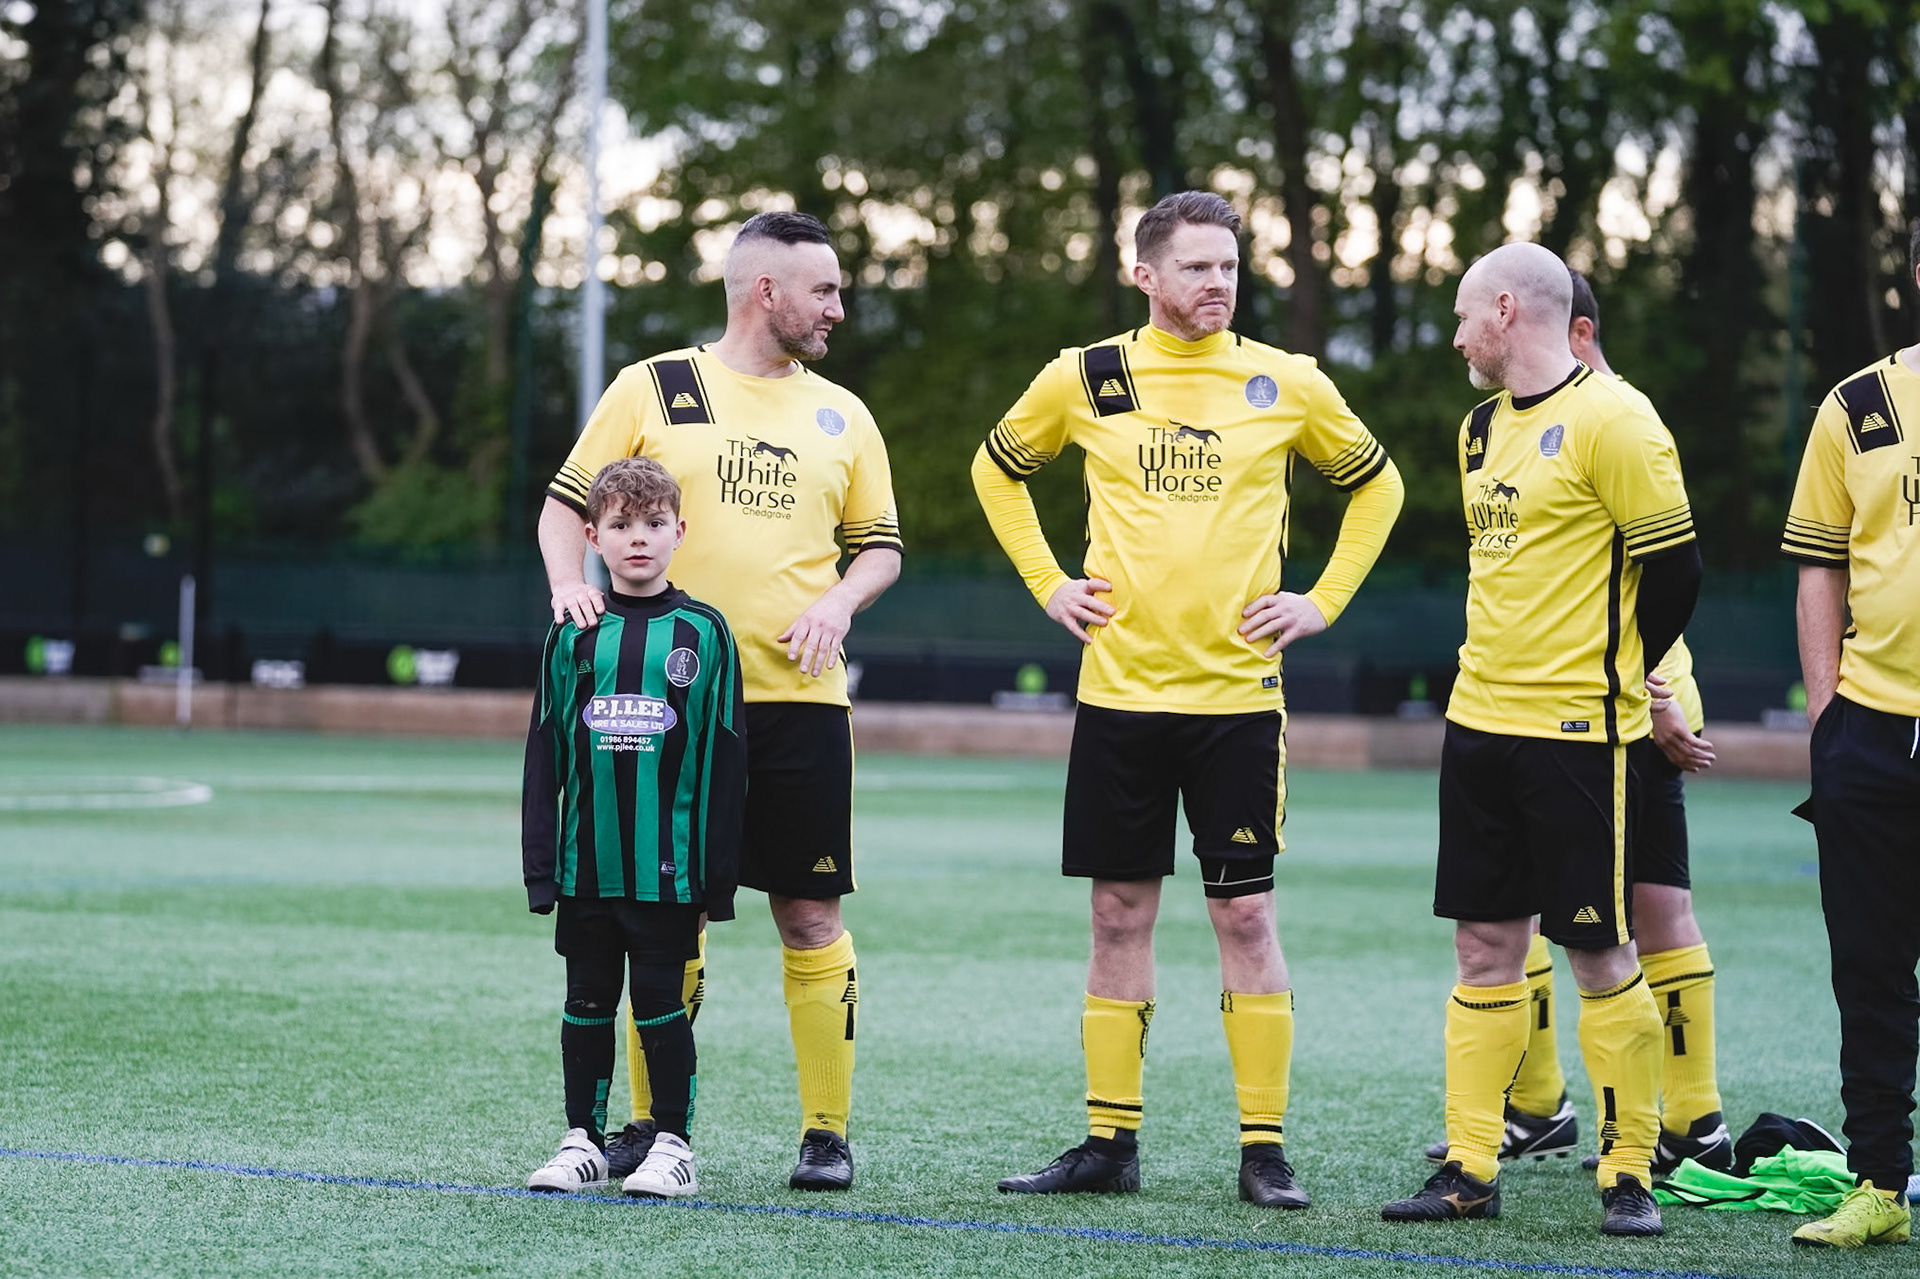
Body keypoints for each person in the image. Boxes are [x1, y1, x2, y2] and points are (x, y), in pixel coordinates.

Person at [973, 190, 1404, 1207]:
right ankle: (1108, 1144)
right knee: (1117, 912)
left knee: (1244, 913)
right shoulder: (1086, 376)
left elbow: (1378, 484)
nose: (1219, 282)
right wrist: (1048, 583)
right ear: (1146, 275)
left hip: (1237, 701)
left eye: (1229, 266)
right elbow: (996, 471)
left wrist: (1323, 600)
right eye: (1198, 266)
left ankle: (1264, 1150)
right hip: (1119, 696)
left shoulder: (1286, 380)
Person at [537, 211, 903, 1191]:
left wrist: (838, 601)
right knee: (663, 914)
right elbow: (565, 506)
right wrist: (569, 588)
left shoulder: (844, 415)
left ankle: (826, 1133)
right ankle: (652, 1130)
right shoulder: (653, 387)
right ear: (765, 292)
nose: (838, 307)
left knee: (810, 911)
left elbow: (880, 548)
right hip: (670, 713)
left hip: (801, 704)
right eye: (824, 289)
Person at [1382, 243, 1700, 1237]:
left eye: (1463, 315)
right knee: (1483, 945)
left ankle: (1628, 1174)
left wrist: (1623, 675)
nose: (1455, 337)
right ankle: (1470, 1168)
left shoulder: (1617, 419)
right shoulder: (1477, 430)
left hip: (1578, 736)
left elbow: (1677, 570)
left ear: (1507, 311)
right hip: (1478, 726)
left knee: (1599, 950)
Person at [522, 458, 745, 1199]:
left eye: (653, 523)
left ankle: (673, 1144)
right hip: (586, 864)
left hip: (669, 871)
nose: (638, 538)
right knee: (586, 1000)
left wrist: (717, 879)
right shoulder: (573, 631)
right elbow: (544, 753)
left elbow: (725, 759)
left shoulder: (704, 632)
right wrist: (539, 867)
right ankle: (582, 1140)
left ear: (680, 532)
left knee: (658, 1004)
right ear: (593, 537)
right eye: (620, 525)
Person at [1778, 227, 1920, 1249]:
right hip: (1870, 734)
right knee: (1870, 972)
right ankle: (1879, 1182)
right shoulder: (1858, 404)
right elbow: (1819, 565)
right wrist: (1828, 716)